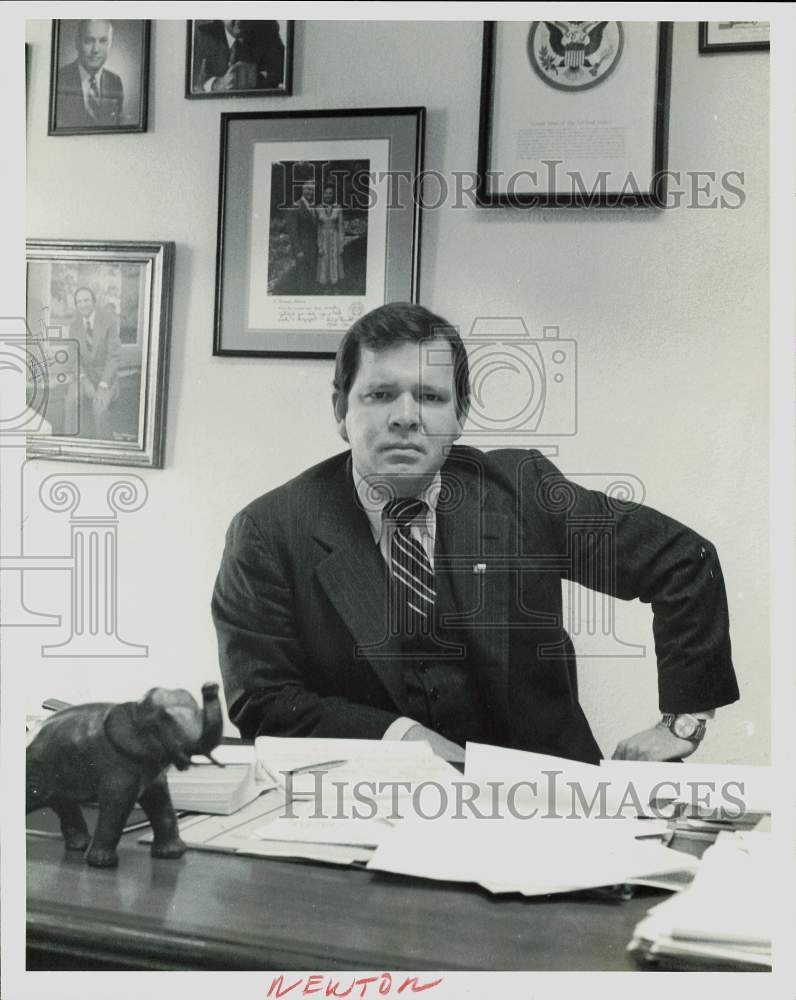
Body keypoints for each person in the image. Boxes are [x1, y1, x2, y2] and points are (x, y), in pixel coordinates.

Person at [212, 303, 739, 764]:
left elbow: (684, 560)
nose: (406, 417)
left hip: (545, 802)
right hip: (368, 807)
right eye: (379, 394)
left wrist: (682, 722)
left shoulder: (522, 493)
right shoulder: (269, 533)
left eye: (431, 397)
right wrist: (402, 738)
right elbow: (263, 700)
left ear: (460, 415)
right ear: (340, 411)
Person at [65, 287, 121, 440]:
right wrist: (83, 380)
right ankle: (72, 446)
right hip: (84, 375)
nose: (83, 304)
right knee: (71, 401)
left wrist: (104, 384)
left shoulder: (109, 321)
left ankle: (104, 451)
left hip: (106, 377)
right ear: (76, 305)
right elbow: (73, 358)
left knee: (99, 407)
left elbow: (114, 357)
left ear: (93, 302)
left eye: (86, 300)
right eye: (79, 302)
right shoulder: (74, 326)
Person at [56, 20, 124, 129]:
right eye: (89, 41)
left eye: (103, 41)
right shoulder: (59, 79)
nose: (95, 49)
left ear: (110, 45)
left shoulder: (115, 82)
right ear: (77, 43)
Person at [192, 20, 285, 93]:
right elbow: (192, 84)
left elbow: (283, 73)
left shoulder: (267, 28)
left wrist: (257, 79)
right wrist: (215, 85)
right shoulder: (202, 35)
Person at [286, 181, 318, 294]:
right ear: (303, 190)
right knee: (303, 276)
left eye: (312, 190)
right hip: (302, 249)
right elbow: (292, 231)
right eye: (308, 189)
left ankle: (312, 296)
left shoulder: (314, 206)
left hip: (314, 248)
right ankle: (303, 297)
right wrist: (298, 250)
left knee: (312, 274)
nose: (310, 192)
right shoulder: (296, 206)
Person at [315, 185, 346, 290]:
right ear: (323, 194)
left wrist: (341, 244)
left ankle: (335, 284)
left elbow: (341, 226)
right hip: (323, 237)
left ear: (333, 195)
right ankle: (325, 285)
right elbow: (317, 228)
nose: (328, 195)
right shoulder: (318, 208)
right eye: (326, 193)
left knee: (334, 258)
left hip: (334, 237)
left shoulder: (338, 207)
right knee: (324, 258)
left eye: (330, 193)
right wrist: (319, 245)